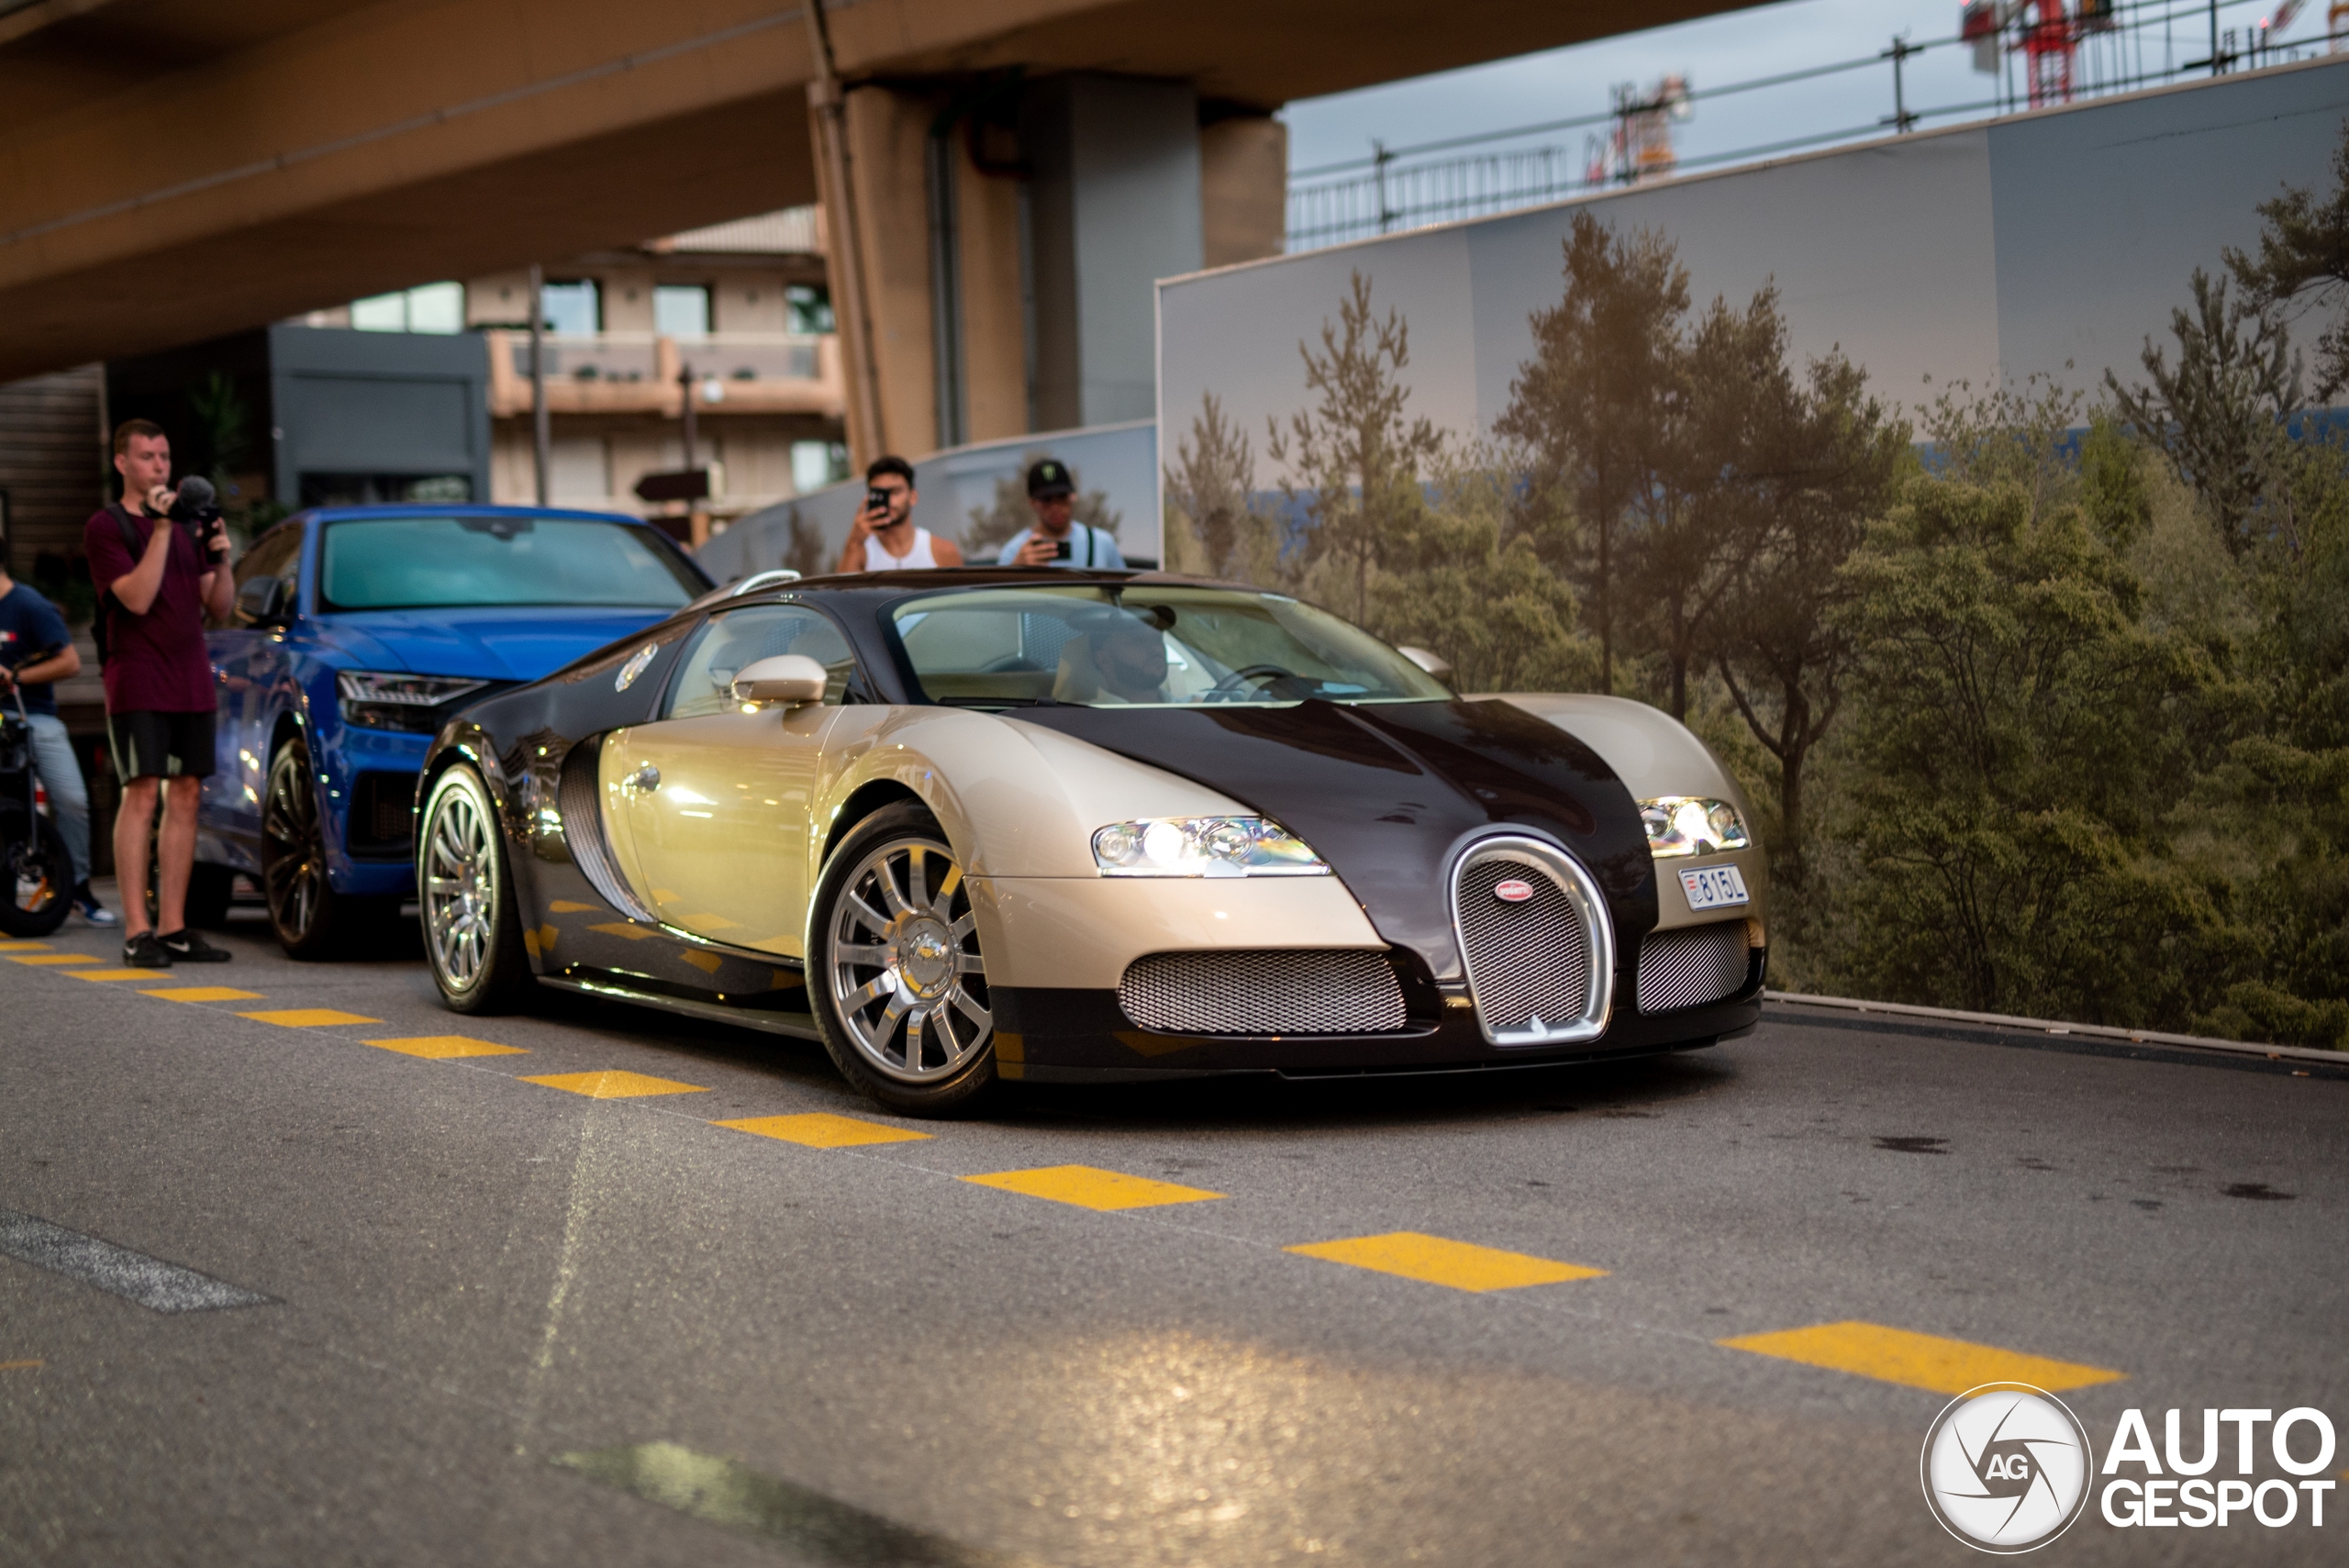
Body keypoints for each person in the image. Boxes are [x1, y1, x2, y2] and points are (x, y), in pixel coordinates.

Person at [84, 418, 235, 968]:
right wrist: (166, 528)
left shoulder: (189, 526)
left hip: (190, 671)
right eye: (147, 457)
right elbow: (139, 599)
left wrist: (219, 556)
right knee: (143, 789)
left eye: (165, 457)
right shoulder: (107, 527)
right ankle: (137, 930)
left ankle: (173, 926)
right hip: (138, 675)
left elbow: (217, 606)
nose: (159, 467)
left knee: (188, 791)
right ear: (123, 463)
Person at [0, 564, 115, 926]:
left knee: (73, 800)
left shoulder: (30, 605)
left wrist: (15, 676)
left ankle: (77, 885)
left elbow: (70, 662)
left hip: (31, 714)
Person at [836, 455, 963, 573]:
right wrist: (854, 542)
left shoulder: (943, 552)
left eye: (895, 492)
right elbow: (841, 595)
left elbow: (959, 596)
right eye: (880, 494)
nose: (889, 500)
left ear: (913, 497)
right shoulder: (862, 554)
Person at [999, 459, 1125, 570]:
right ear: (1032, 502)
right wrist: (1016, 571)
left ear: (1073, 496)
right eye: (1046, 499)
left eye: (1062, 497)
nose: (1056, 507)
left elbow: (1125, 592)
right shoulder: (1014, 552)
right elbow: (1000, 596)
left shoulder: (1101, 543)